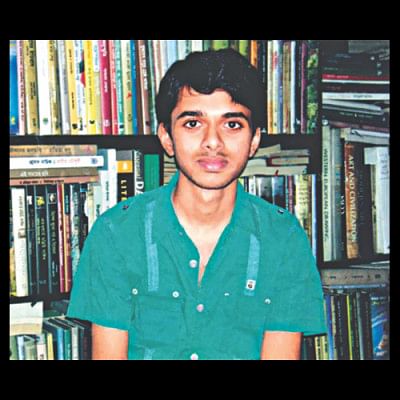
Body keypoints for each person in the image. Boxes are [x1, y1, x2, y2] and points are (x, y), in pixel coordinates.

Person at [67, 48, 327, 360]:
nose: (212, 141)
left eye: (232, 124)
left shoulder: (283, 238)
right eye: (193, 123)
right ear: (167, 138)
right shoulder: (116, 233)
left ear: (254, 140)